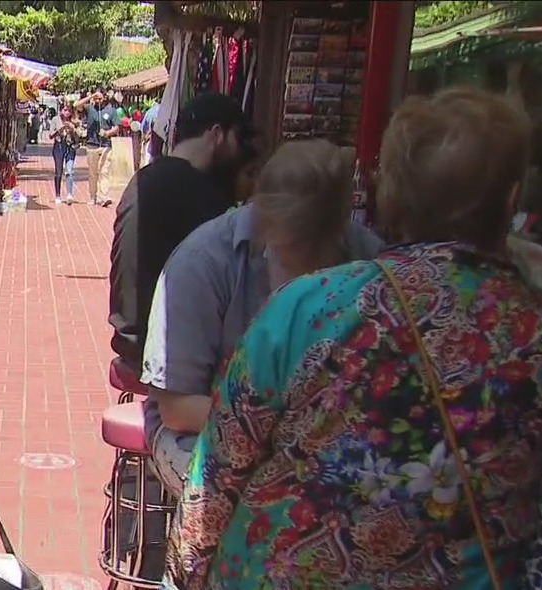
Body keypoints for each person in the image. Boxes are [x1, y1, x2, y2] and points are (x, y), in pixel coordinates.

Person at [166, 87, 542, 590]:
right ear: (511, 199)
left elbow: (213, 484)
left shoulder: (310, 308)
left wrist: (187, 576)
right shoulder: (527, 328)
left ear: (393, 195)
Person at [141, 139, 384, 497]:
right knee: (241, 496)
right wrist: (281, 429)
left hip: (320, 430)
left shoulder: (367, 255)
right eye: (289, 255)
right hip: (200, 425)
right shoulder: (201, 262)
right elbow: (177, 407)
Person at [109, 93, 252, 372]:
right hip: (161, 350)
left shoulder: (146, 178)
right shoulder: (199, 192)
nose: (239, 152)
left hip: (130, 338)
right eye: (238, 140)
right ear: (217, 135)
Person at [75, 90, 119, 206]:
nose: (98, 101)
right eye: (96, 99)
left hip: (106, 146)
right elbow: (76, 105)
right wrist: (91, 96)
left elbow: (116, 127)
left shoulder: (111, 110)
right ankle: (93, 196)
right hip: (91, 145)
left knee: (104, 171)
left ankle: (104, 196)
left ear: (105, 98)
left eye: (100, 98)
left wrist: (107, 133)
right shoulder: (89, 108)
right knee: (93, 173)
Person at [50, 103, 80, 205]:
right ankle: (58, 195)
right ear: (61, 110)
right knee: (58, 172)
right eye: (65, 110)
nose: (67, 113)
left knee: (69, 171)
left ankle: (69, 194)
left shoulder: (74, 121)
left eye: (69, 111)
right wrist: (60, 129)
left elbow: (79, 136)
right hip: (58, 147)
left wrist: (73, 130)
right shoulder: (55, 120)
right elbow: (51, 135)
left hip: (70, 148)